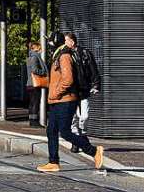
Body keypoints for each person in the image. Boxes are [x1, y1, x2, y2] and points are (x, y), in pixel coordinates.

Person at [38, 32, 104, 173]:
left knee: (65, 132)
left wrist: (56, 93)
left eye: (50, 43)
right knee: (51, 131)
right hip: (58, 100)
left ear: (55, 43)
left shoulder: (64, 56)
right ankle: (53, 162)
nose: (48, 45)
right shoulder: (59, 54)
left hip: (65, 100)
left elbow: (68, 80)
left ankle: (94, 151)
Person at [70, 35, 102, 152]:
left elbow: (93, 69)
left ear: (72, 42)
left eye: (66, 41)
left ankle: (82, 134)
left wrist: (96, 84)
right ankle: (76, 139)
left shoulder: (84, 53)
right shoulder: (64, 55)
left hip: (83, 89)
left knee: (84, 116)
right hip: (71, 91)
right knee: (72, 117)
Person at [26, 42, 48, 128]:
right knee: (35, 102)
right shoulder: (35, 57)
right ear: (37, 48)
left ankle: (32, 120)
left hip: (30, 83)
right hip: (34, 84)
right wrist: (43, 72)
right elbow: (34, 70)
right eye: (40, 48)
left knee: (32, 103)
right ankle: (34, 122)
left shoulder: (30, 57)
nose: (41, 50)